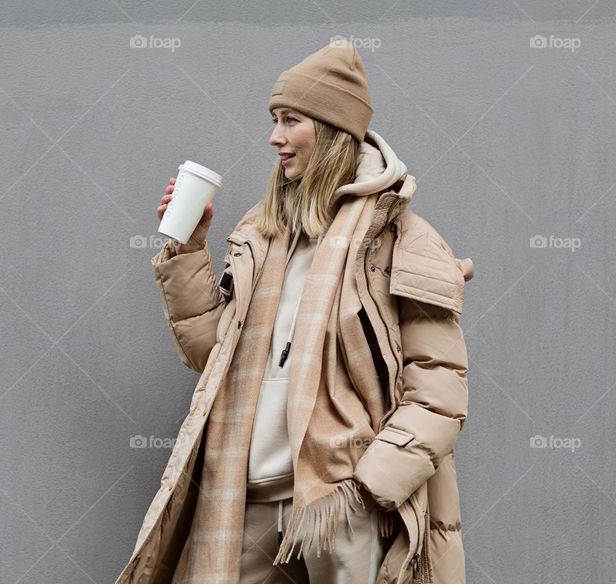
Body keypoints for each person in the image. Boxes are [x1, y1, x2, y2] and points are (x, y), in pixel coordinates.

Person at [116, 40, 473, 584]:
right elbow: (210, 355)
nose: (274, 137)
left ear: (330, 130)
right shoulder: (263, 233)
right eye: (274, 120)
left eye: (289, 120)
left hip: (339, 503)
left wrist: (368, 487)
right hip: (244, 495)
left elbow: (440, 392)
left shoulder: (401, 239)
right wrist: (189, 248)